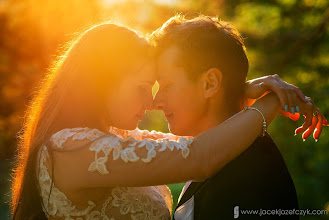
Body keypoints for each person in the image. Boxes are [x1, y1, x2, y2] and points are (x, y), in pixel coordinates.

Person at [10, 21, 325, 220]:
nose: (152, 102)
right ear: (102, 82)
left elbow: (193, 145)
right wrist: (269, 103)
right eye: (142, 87)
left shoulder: (109, 138)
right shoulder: (74, 150)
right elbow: (198, 155)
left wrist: (234, 89)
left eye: (161, 86)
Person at [150, 15, 327, 219]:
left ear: (210, 83)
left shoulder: (254, 175)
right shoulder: (223, 153)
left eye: (167, 85)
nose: (156, 102)